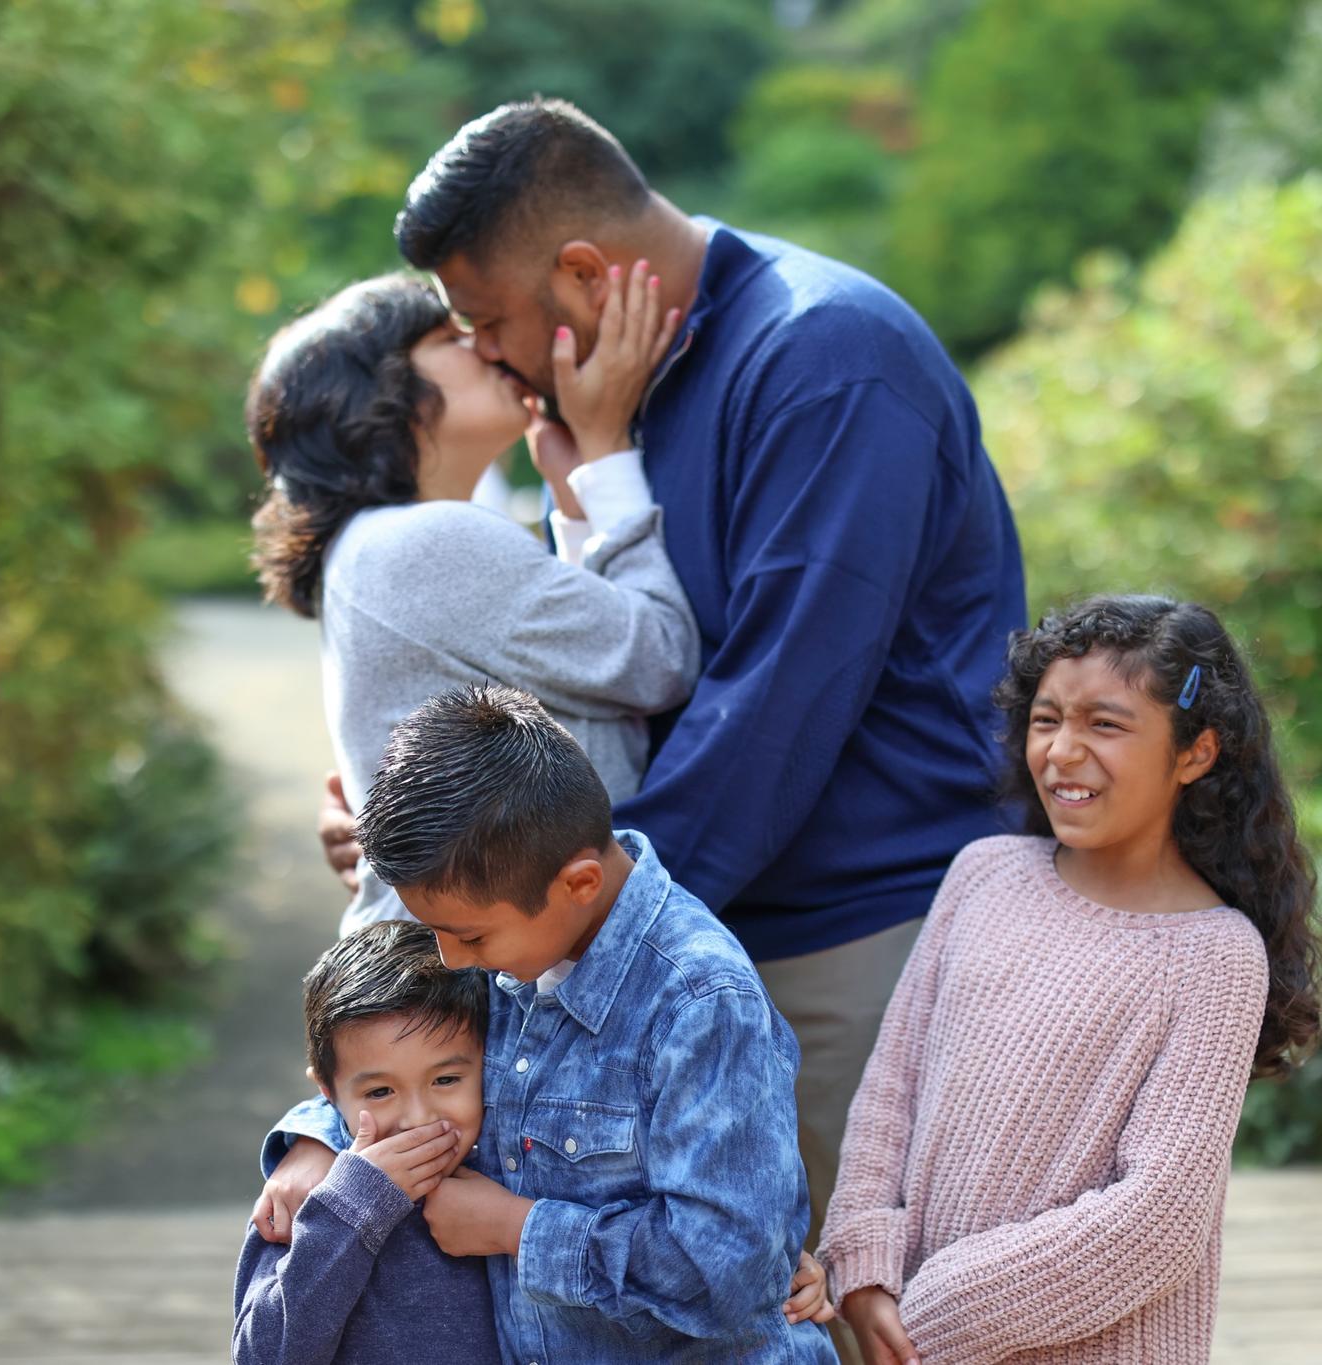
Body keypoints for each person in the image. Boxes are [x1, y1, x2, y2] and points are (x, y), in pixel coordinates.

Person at [310, 98, 1030, 1267]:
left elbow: (776, 706)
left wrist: (570, 901)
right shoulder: (609, 386)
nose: (485, 355)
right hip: (687, 921)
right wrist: (434, 829)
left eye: (487, 322)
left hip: (846, 933)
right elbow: (590, 683)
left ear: (585, 272)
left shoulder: (826, 361)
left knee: (836, 1300)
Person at [818, 595, 1322, 1365]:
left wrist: (933, 1307)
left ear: (1196, 752)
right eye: (1046, 718)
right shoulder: (983, 873)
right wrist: (864, 1264)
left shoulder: (1214, 956)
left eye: (1105, 723)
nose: (1063, 751)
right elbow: (891, 1086)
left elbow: (1157, 1218)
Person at [271, 685, 838, 1362]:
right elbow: (393, 1060)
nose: (450, 959)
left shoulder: (699, 1001)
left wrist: (518, 1228)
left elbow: (726, 1270)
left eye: (470, 937)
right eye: (437, 932)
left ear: (579, 884)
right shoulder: (512, 937)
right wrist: (313, 1135)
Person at [249, 260, 698, 931]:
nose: (486, 346)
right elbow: (660, 657)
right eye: (451, 339)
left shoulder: (378, 548)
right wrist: (605, 452)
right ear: (382, 390)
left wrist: (574, 500)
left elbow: (580, 670)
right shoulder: (425, 544)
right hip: (478, 993)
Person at [232, 922, 494, 1363]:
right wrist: (355, 1205)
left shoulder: (514, 1167)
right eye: (380, 1092)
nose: (418, 1118)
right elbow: (264, 1356)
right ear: (328, 1093)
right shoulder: (310, 1200)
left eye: (446, 1080)